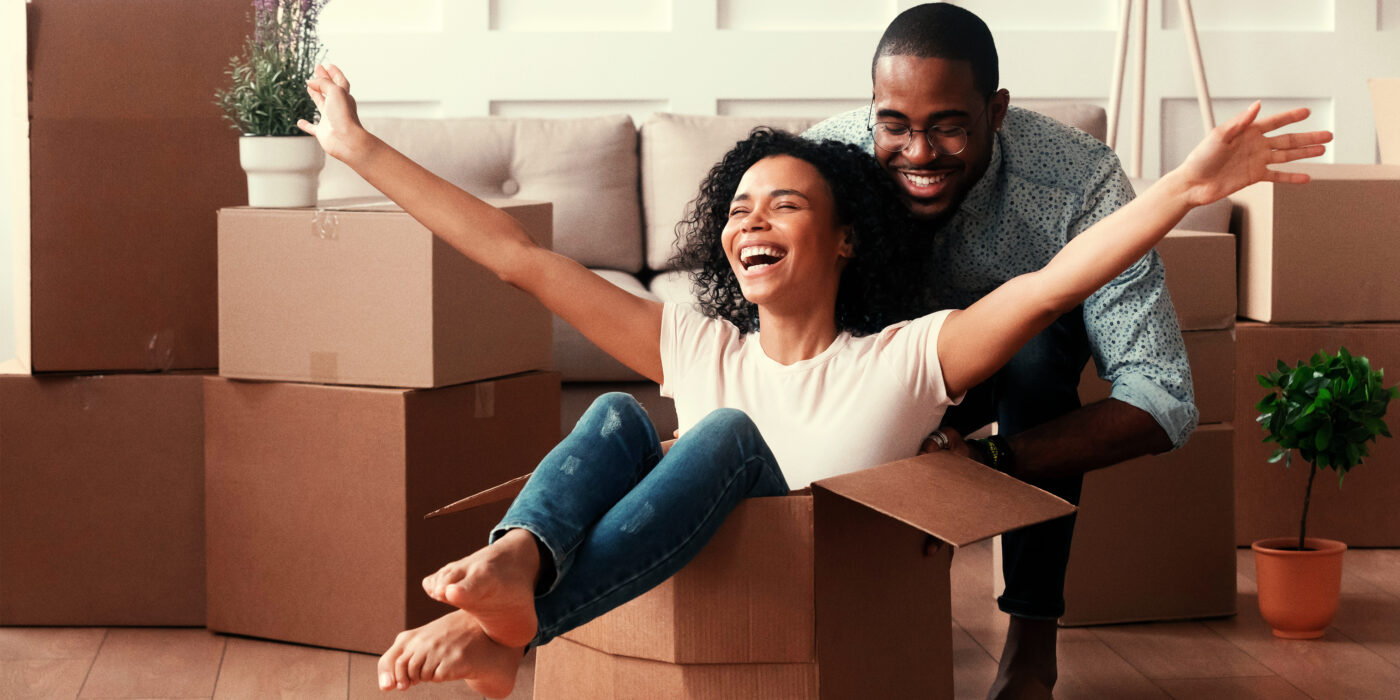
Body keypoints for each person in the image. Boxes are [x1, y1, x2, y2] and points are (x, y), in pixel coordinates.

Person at [298, 61, 1328, 697]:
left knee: (720, 439)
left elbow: (1057, 281)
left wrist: (1185, 185)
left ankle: (506, 630)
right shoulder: (699, 345)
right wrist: (357, 148)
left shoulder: (905, 359)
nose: (751, 220)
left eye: (783, 205)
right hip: (691, 572)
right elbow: (512, 255)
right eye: (738, 208)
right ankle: (518, 566)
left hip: (813, 598)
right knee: (619, 413)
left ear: (841, 241)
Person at [802, 5, 1206, 695]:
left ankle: (1030, 641)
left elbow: (1162, 398)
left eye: (949, 127)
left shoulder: (1080, 180)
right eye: (894, 125)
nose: (919, 153)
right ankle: (858, 620)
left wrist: (985, 462)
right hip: (877, 358)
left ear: (996, 110)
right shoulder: (826, 165)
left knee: (1037, 362)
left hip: (1017, 370)